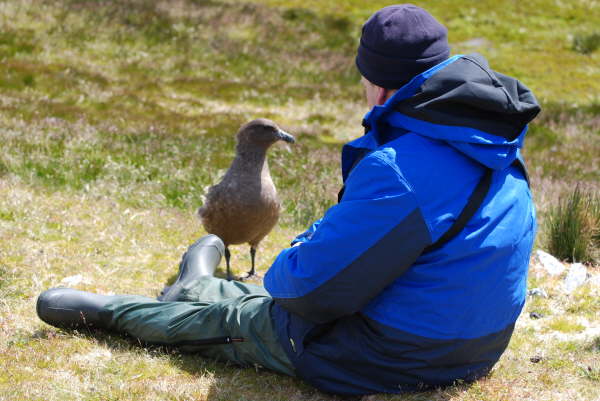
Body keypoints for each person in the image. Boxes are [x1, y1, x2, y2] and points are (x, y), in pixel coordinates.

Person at [36, 4, 541, 396]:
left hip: (392, 356)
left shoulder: (401, 170)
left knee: (255, 317)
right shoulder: (493, 142)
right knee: (269, 298)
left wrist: (302, 249)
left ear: (378, 86)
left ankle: (124, 309)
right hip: (479, 348)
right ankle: (198, 282)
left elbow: (303, 293)